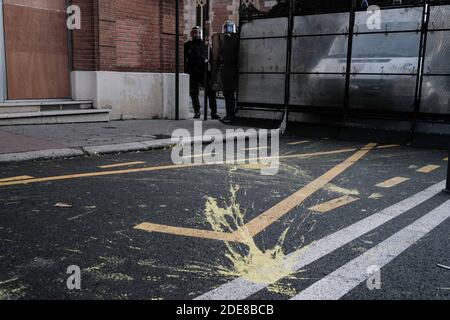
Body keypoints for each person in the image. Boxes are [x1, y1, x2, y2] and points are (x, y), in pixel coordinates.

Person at [184, 26, 220, 120]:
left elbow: (211, 59)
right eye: (195, 33)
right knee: (193, 92)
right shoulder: (188, 45)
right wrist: (186, 71)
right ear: (192, 34)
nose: (197, 34)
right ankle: (197, 111)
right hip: (192, 71)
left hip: (204, 72)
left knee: (211, 92)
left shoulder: (206, 45)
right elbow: (183, 59)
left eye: (199, 32)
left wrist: (212, 72)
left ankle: (214, 112)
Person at [218, 20, 239, 124]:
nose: (227, 30)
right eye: (226, 27)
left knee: (231, 95)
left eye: (229, 27)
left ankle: (231, 115)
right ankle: (228, 114)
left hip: (232, 70)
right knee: (227, 94)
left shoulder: (236, 39)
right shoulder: (224, 40)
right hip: (226, 70)